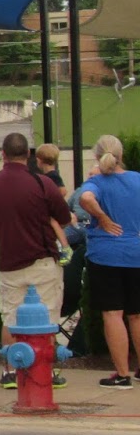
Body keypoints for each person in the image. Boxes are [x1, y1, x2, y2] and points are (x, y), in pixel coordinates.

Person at [0, 132, 72, 391]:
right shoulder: (43, 184)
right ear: (29, 155)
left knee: (10, 317)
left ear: (3, 154)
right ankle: (45, 369)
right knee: (47, 316)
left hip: (8, 261)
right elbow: (64, 218)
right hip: (42, 260)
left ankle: (10, 370)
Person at [77, 135, 140, 388]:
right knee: (137, 315)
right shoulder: (137, 179)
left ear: (97, 155)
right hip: (136, 252)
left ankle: (122, 374)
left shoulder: (97, 182)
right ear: (121, 155)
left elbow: (85, 199)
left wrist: (102, 218)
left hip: (107, 255)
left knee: (113, 314)